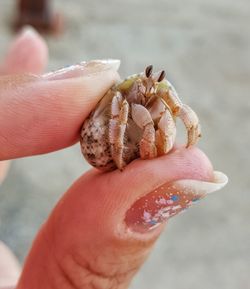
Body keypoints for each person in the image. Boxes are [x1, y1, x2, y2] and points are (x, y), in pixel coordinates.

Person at [0, 27, 227, 289]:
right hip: (113, 134)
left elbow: (175, 108)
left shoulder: (155, 94)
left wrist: (188, 131)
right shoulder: (122, 96)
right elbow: (120, 119)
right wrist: (121, 153)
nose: (148, 89)